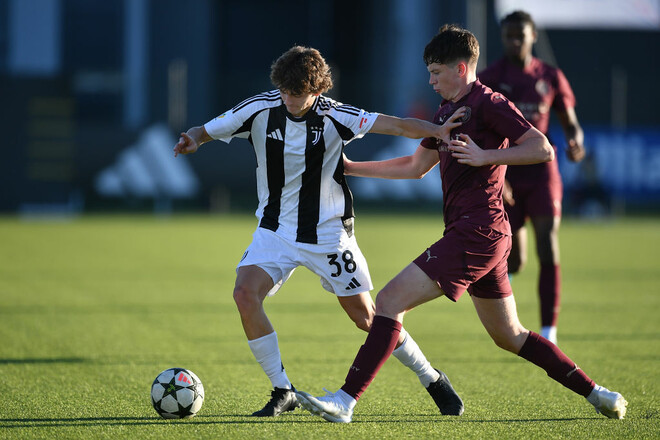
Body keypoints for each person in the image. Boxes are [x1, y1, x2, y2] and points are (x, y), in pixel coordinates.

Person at [295, 25, 627, 423]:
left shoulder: (489, 102)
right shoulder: (445, 112)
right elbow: (416, 166)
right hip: (479, 234)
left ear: (461, 67)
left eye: (436, 72)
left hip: (479, 231)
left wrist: (487, 156)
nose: (431, 81)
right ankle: (598, 394)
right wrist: (351, 168)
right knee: (511, 336)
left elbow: (542, 148)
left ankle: (345, 401)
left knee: (388, 302)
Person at [173, 45, 466, 417]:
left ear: (317, 89)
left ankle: (431, 378)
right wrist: (194, 138)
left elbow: (396, 124)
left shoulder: (336, 116)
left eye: (298, 93)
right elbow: (208, 128)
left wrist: (438, 130)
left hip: (329, 235)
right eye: (284, 91)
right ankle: (283, 390)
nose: (289, 99)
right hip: (274, 230)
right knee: (245, 293)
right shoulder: (260, 108)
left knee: (368, 320)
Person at [478, 10, 586, 344]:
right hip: (506, 172)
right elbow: (483, 132)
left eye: (519, 36)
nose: (514, 41)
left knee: (547, 245)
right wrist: (498, 175)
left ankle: (549, 331)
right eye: (508, 36)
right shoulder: (491, 76)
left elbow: (570, 122)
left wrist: (575, 141)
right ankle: (503, 317)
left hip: (541, 172)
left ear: (533, 37)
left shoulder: (550, 76)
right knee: (517, 260)